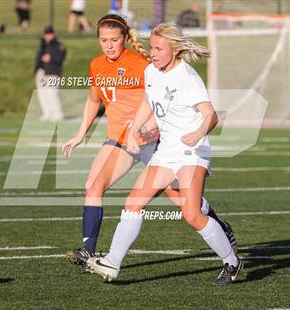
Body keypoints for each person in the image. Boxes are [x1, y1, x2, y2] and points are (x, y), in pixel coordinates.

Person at [62, 14, 237, 268]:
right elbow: (93, 100)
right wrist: (80, 134)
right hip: (120, 140)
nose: (109, 45)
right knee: (93, 185)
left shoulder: (143, 64)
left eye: (114, 39)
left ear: (125, 38)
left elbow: (161, 101)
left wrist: (147, 127)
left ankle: (220, 227)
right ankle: (89, 251)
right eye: (103, 40)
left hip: (153, 141)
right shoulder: (97, 65)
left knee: (184, 203)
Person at [34, 25, 66, 121]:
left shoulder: (58, 45)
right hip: (42, 72)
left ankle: (57, 114)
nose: (48, 36)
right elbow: (38, 58)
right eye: (46, 34)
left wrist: (51, 58)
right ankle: (47, 113)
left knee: (52, 93)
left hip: (53, 72)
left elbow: (61, 57)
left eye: (50, 34)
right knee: (42, 94)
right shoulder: (42, 45)